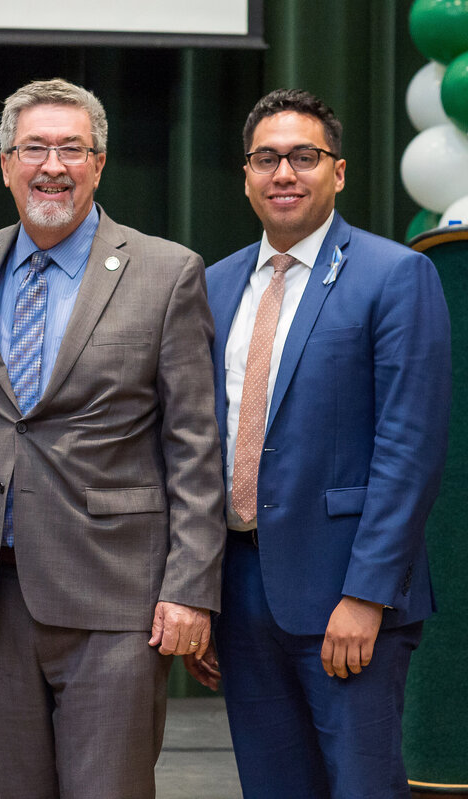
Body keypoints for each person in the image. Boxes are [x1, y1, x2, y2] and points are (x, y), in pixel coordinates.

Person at [0, 78, 226, 798]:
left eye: (73, 147)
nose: (53, 165)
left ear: (100, 164)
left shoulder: (166, 271)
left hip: (119, 600)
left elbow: (195, 444)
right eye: (34, 147)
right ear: (5, 163)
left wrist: (189, 589)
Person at [189, 89, 451, 799]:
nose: (284, 173)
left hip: (347, 595)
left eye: (304, 157)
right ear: (245, 175)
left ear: (338, 172)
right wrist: (199, 595)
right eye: (267, 158)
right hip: (240, 596)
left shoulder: (395, 275)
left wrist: (366, 595)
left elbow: (410, 448)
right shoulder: (212, 287)